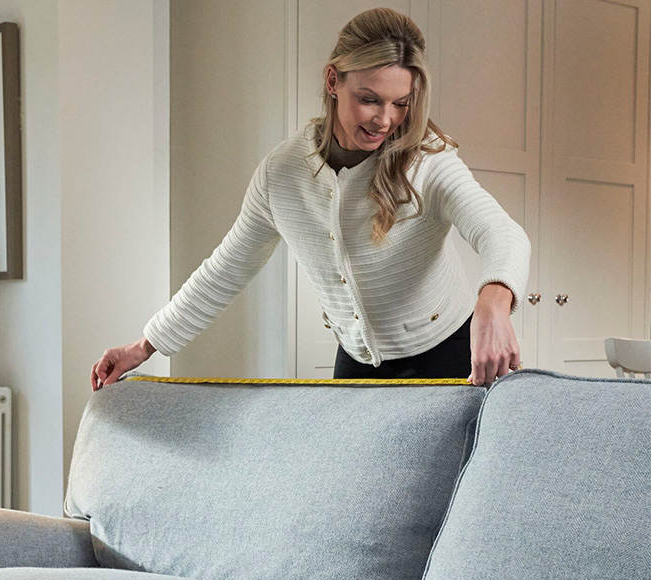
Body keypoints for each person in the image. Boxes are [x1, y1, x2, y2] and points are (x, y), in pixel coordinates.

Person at [91, 7, 530, 391]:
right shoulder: (282, 174)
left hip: (450, 356)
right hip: (356, 363)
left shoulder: (428, 161)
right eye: (370, 99)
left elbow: (502, 233)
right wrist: (145, 345)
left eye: (401, 103)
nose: (385, 120)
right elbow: (225, 270)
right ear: (333, 80)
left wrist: (493, 302)